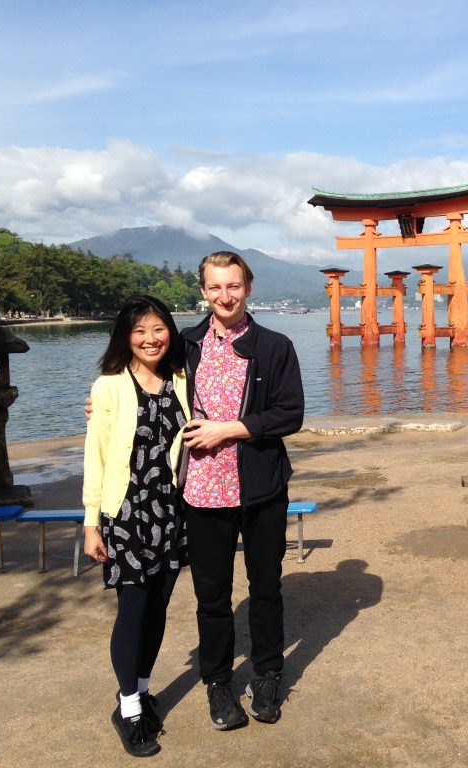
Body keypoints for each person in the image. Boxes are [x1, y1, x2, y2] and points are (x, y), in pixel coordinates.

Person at [179, 251, 304, 730]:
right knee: (212, 595)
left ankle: (269, 673)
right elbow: (145, 383)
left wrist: (229, 429)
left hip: (260, 486)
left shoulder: (274, 346)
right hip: (203, 489)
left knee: (266, 587)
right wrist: (102, 404)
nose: (224, 296)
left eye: (233, 286)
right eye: (215, 287)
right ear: (203, 290)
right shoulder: (186, 343)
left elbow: (289, 413)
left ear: (248, 287)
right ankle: (217, 682)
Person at [83, 295, 191, 758]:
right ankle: (127, 707)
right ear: (125, 337)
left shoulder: (183, 379)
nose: (151, 339)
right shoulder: (108, 387)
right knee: (133, 609)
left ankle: (143, 690)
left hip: (172, 510)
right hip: (126, 513)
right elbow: (97, 457)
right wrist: (92, 524)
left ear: (171, 330)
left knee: (159, 608)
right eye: (139, 331)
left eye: (158, 328)